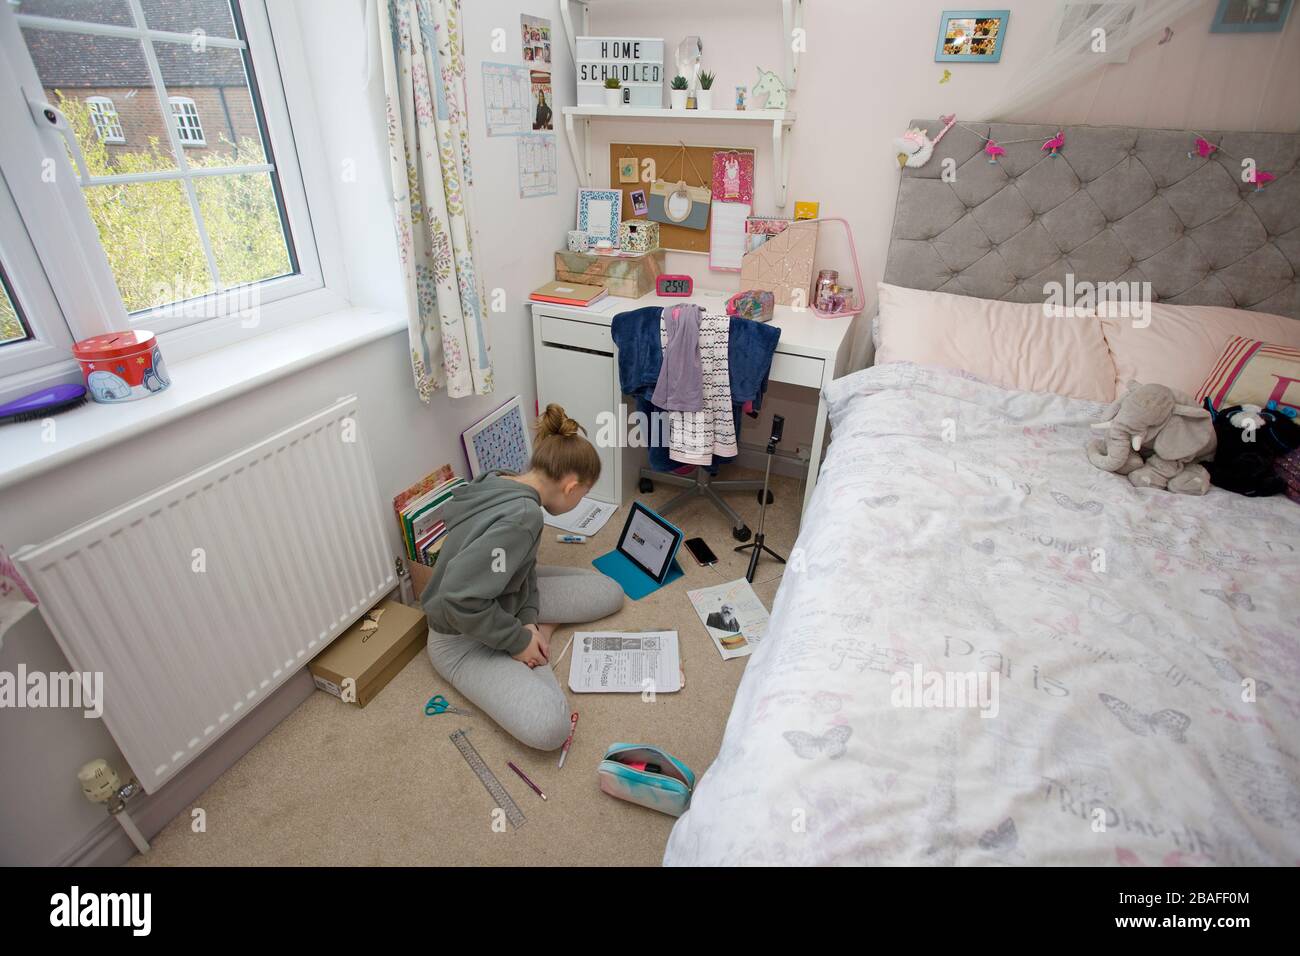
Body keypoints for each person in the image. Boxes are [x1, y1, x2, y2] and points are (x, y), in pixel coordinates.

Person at [422, 405, 623, 750]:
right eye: (585, 494)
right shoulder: (523, 517)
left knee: (610, 592)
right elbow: (457, 598)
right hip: (461, 636)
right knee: (551, 729)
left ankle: (536, 632)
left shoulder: (504, 479)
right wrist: (517, 640)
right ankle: (529, 644)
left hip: (499, 595)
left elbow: (522, 565)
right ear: (572, 487)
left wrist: (529, 618)